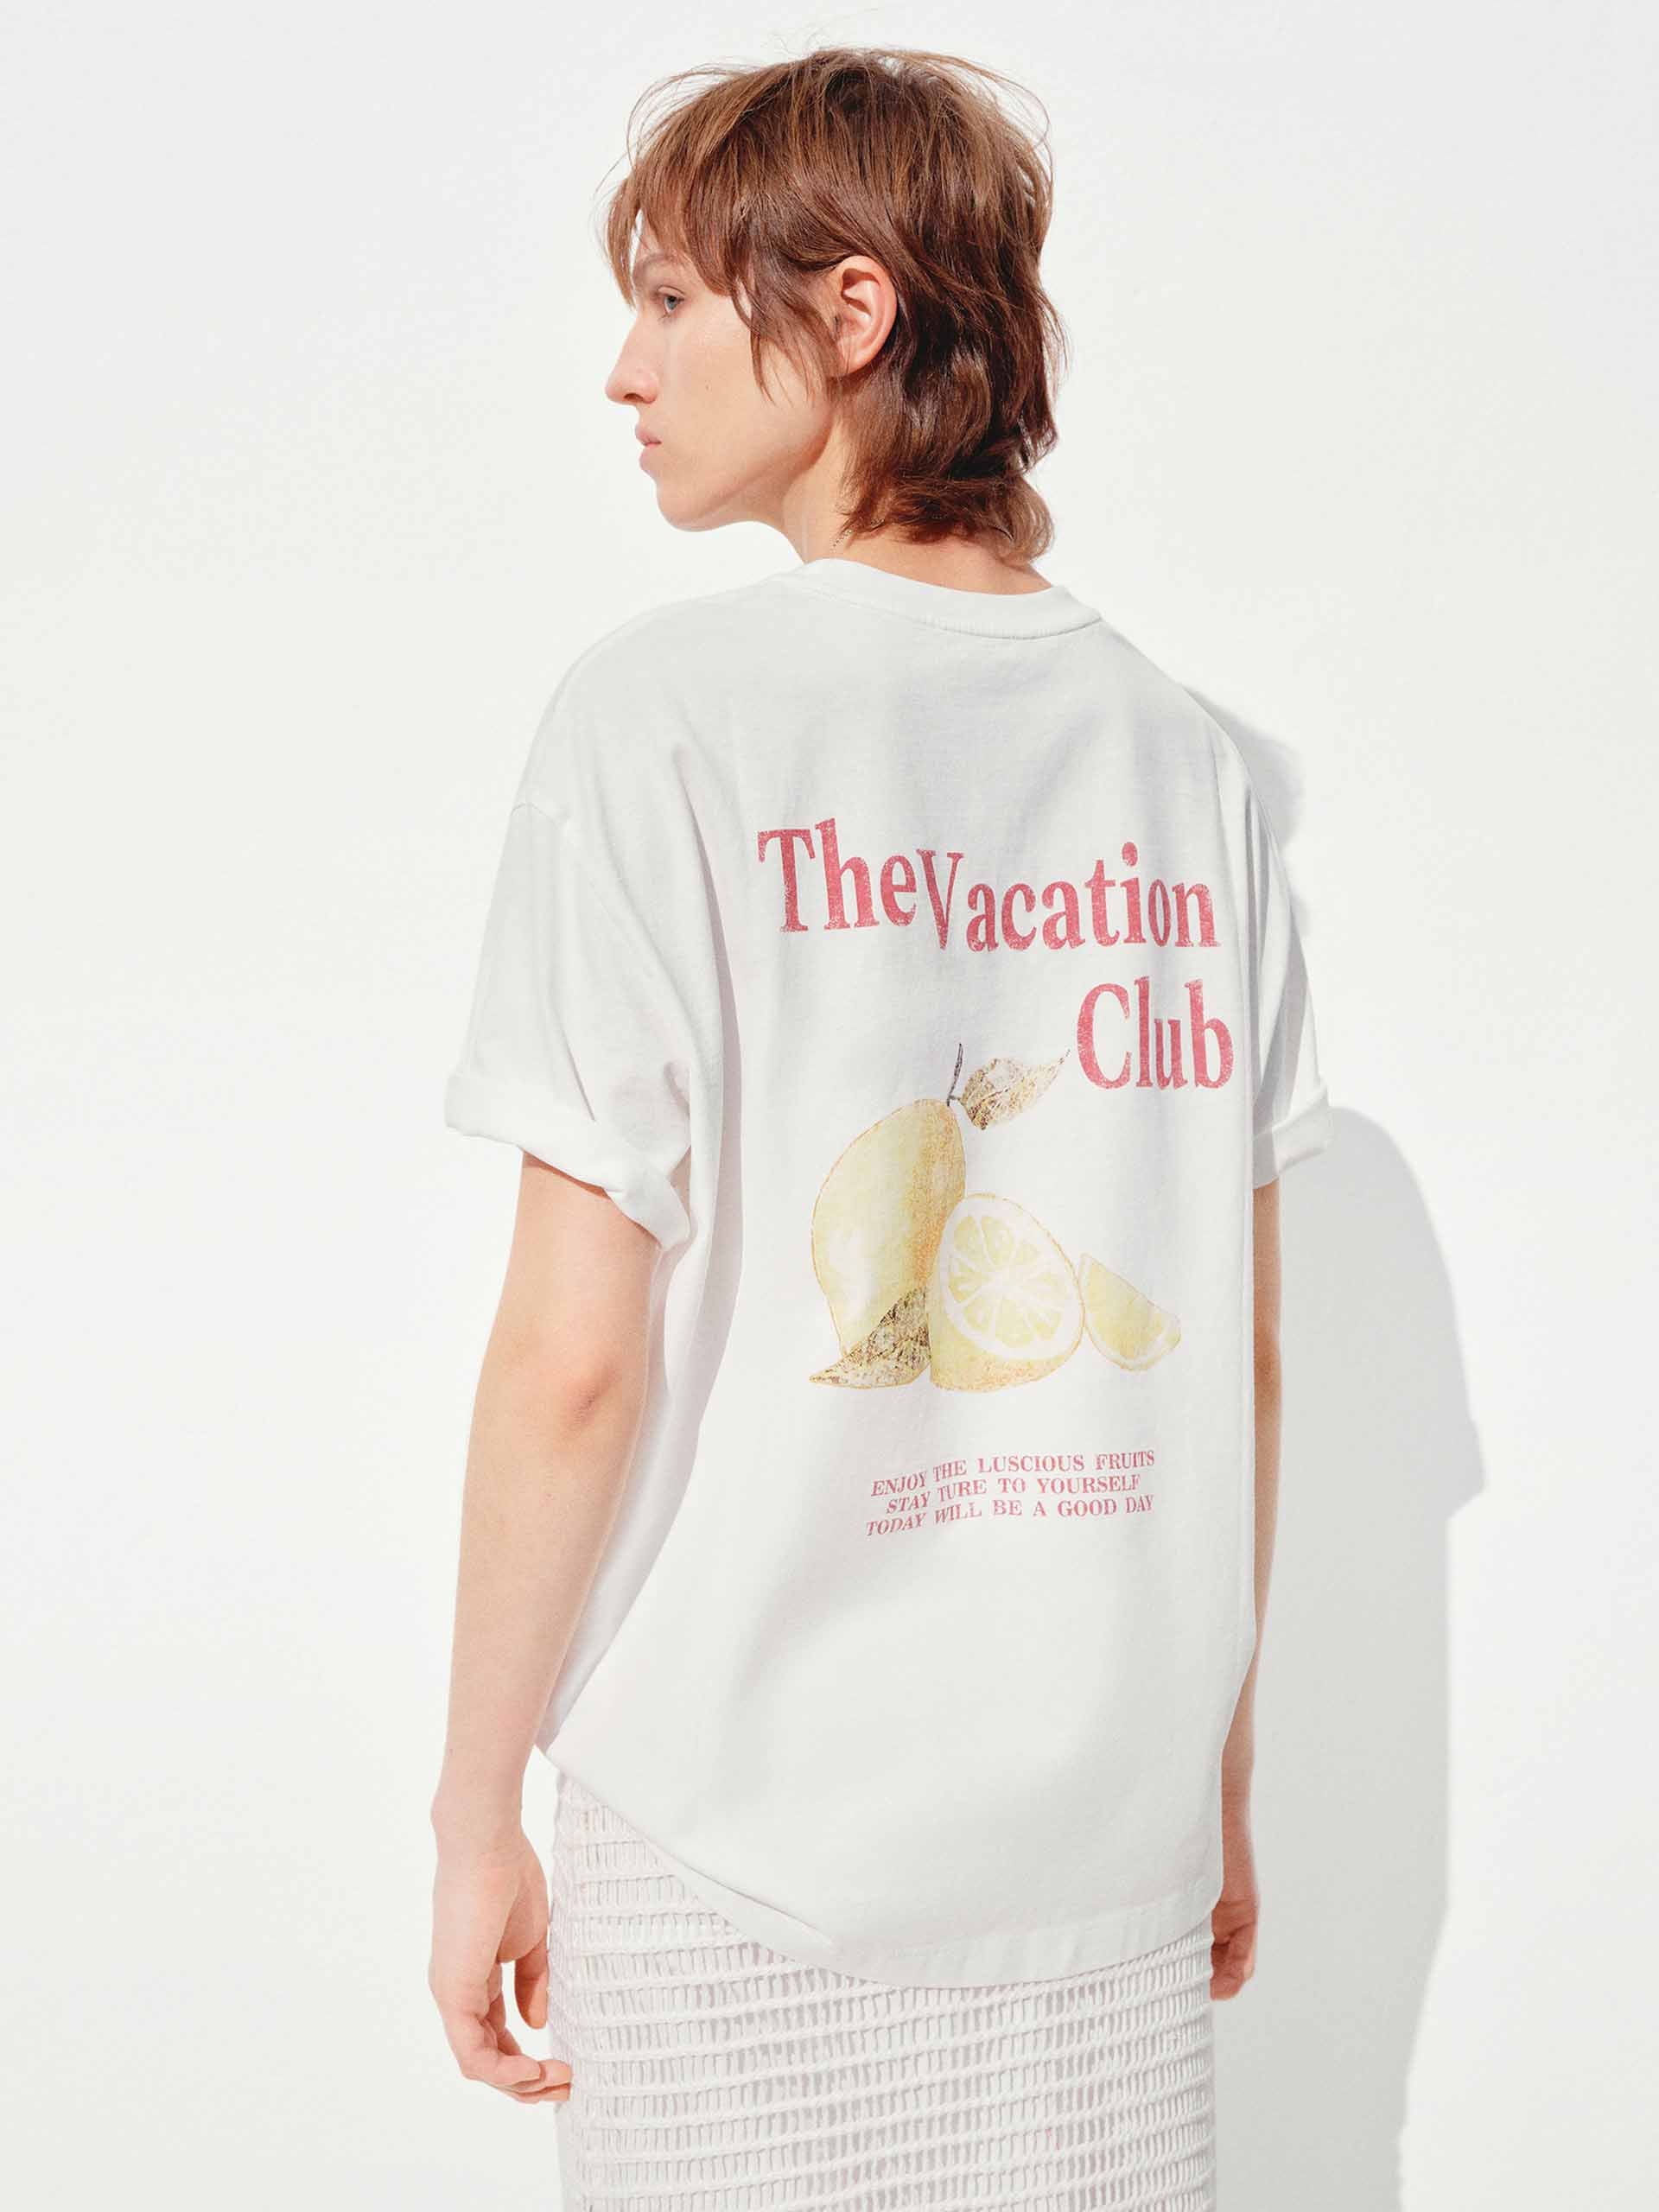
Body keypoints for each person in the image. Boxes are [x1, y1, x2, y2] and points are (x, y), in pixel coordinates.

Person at [428, 43, 1333, 2210]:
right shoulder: (1188, 761)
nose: (625, 369)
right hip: (1100, 1839)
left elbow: (574, 1357)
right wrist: (1213, 1772)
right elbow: (1237, 1343)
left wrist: (472, 1817)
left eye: (670, 298)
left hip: (742, 1831)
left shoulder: (659, 724)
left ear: (849, 313)